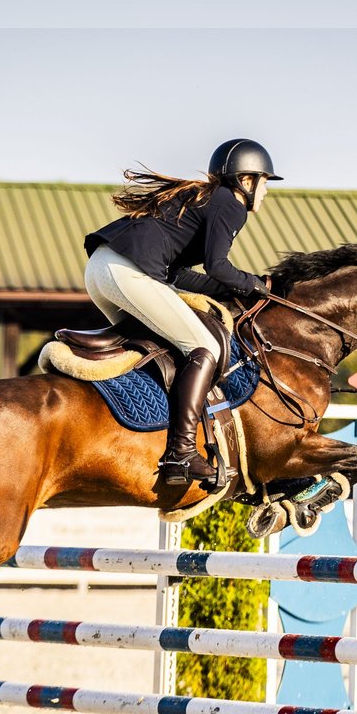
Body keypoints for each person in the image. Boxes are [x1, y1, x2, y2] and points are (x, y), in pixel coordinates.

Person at [83, 139, 282, 485]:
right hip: (127, 271)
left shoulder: (206, 199)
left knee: (162, 349)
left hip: (101, 270)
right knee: (206, 348)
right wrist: (252, 283)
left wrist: (235, 288)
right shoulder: (229, 204)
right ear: (246, 180)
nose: (265, 192)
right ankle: (180, 453)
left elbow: (179, 276)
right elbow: (217, 266)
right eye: (264, 182)